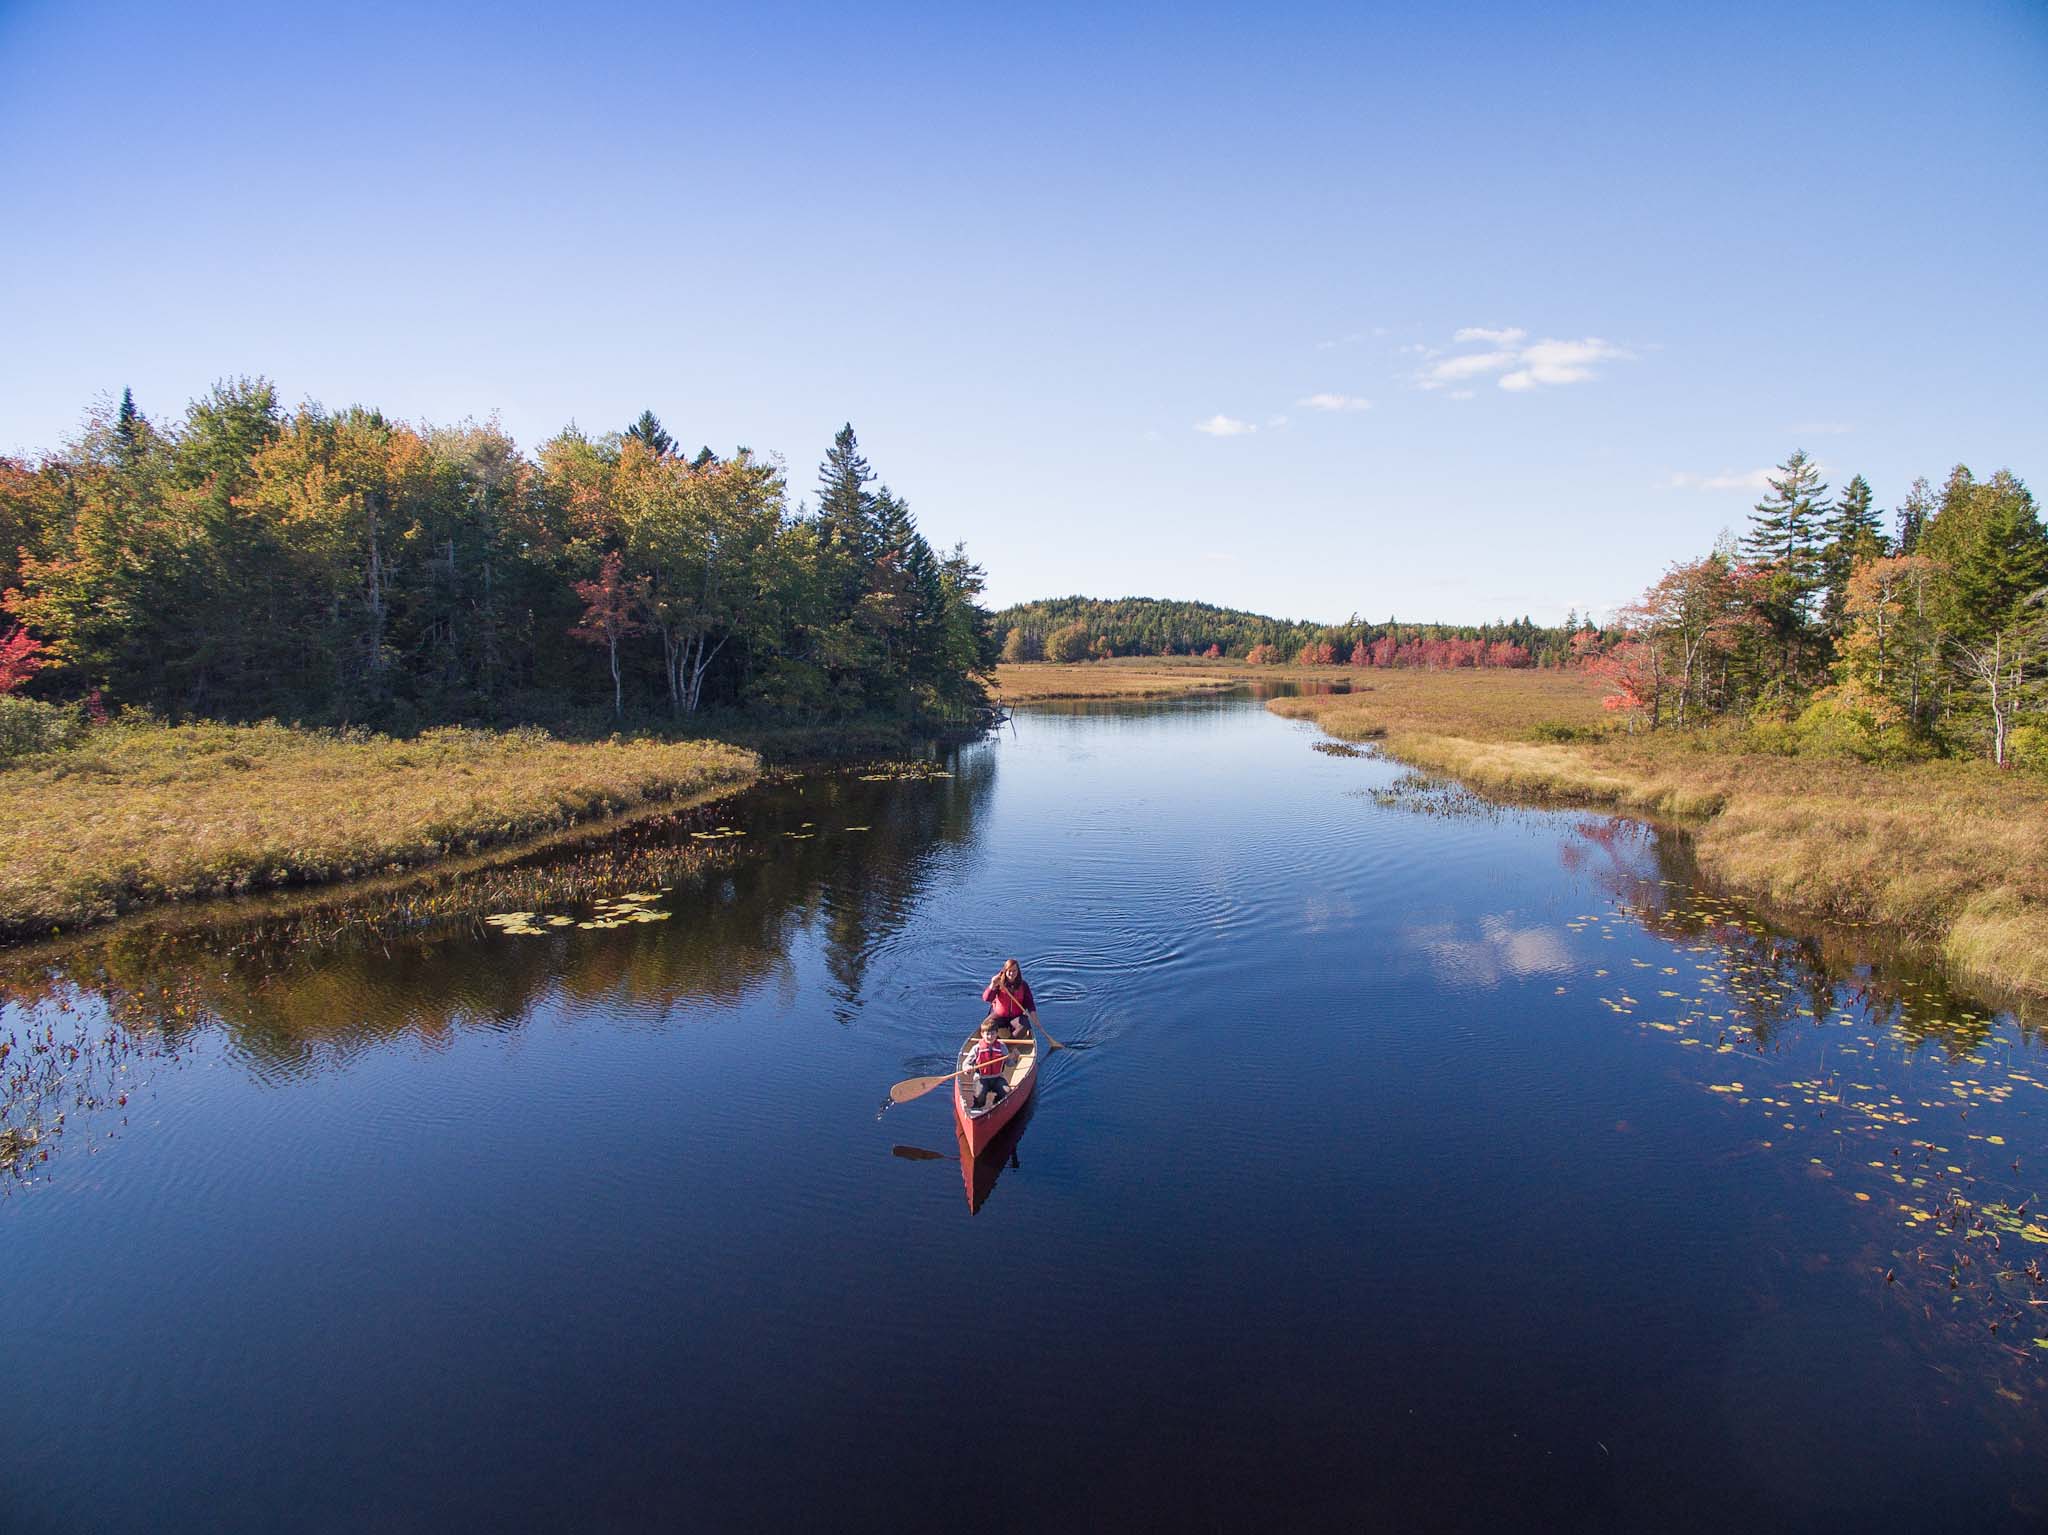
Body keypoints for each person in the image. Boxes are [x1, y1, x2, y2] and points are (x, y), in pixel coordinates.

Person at [981, 958, 1039, 1040]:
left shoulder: (1023, 985)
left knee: (1024, 1026)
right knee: (986, 1026)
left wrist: (1035, 1019)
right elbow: (987, 998)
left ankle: (1007, 1044)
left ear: (1018, 971)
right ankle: (996, 1041)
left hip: (1016, 1017)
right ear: (1005, 971)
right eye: (1009, 971)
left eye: (1014, 971)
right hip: (999, 1015)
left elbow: (1030, 1004)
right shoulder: (998, 983)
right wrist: (992, 984)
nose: (1012, 973)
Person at [965, 1017, 1010, 1116]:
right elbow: (966, 1063)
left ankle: (997, 1101)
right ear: (982, 1034)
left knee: (1006, 1092)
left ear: (997, 1034)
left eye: (993, 1033)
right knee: (980, 1095)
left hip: (997, 1077)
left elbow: (1009, 1063)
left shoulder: (1002, 1047)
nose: (990, 1036)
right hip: (981, 1078)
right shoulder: (976, 1048)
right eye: (987, 1034)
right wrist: (967, 1068)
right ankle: (977, 1106)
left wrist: (1014, 1058)